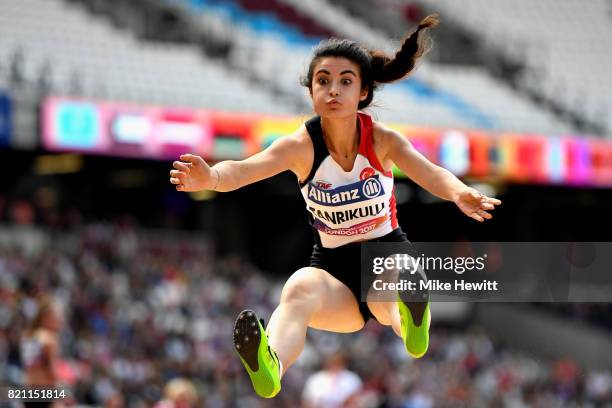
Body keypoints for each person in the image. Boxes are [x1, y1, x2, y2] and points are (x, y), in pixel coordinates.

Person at [169, 13, 501, 399]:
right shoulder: (300, 146)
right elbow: (242, 170)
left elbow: (429, 173)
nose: (333, 90)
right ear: (310, 91)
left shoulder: (381, 140)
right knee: (297, 289)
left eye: (345, 81)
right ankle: (270, 363)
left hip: (385, 257)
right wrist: (210, 178)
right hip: (332, 269)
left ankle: (412, 326)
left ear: (362, 92)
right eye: (323, 81)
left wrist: (459, 192)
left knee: (397, 279)